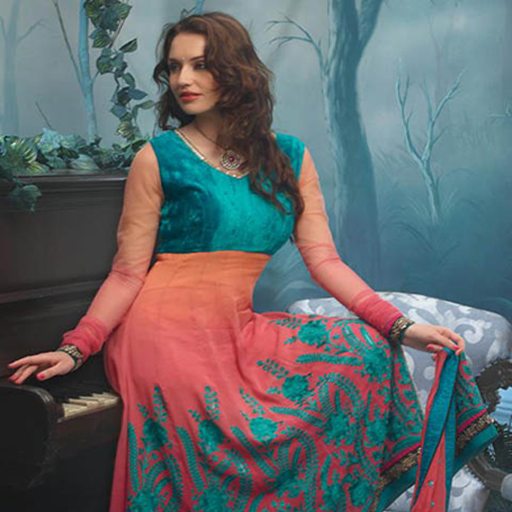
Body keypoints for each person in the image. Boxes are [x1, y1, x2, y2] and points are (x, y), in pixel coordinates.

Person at [7, 11, 497, 512]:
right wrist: (76, 348)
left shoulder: (289, 158)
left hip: (237, 331)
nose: (183, 79)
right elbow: (127, 272)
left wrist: (400, 326)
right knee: (215, 455)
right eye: (174, 67)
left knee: (368, 352)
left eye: (200, 65)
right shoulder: (158, 158)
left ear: (236, 71)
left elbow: (324, 260)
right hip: (161, 336)